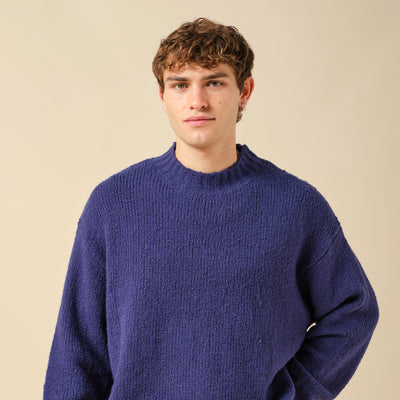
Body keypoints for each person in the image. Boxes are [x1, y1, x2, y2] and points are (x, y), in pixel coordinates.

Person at [43, 17, 379, 399]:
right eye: (180, 84)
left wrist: (294, 392)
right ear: (162, 95)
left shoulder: (296, 207)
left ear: (245, 91)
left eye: (214, 82)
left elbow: (354, 309)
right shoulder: (113, 205)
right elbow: (76, 352)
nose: (197, 101)